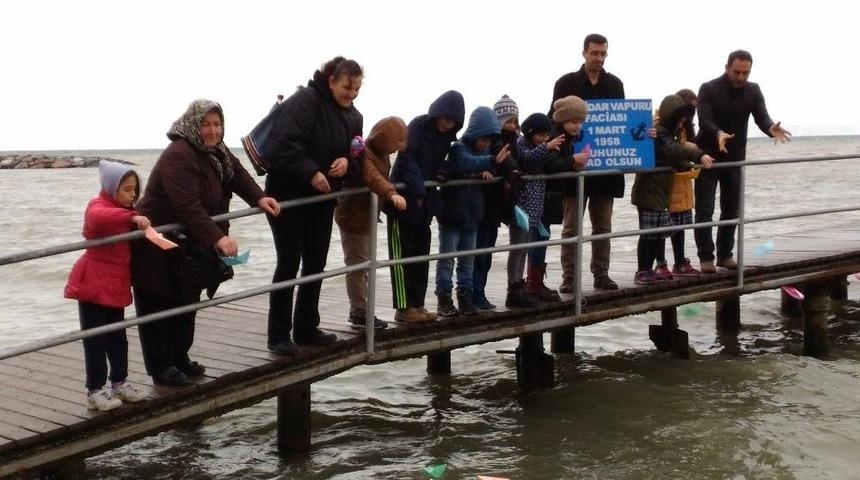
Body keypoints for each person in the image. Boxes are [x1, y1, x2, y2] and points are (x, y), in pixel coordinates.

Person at [131, 99, 281, 385]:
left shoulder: (217, 151)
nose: (212, 131)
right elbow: (187, 205)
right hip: (156, 244)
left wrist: (260, 198)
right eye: (205, 124)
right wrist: (217, 237)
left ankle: (180, 357)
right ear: (192, 124)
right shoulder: (180, 153)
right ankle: (161, 367)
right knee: (158, 304)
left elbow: (238, 175)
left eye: (217, 124)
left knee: (187, 299)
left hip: (188, 243)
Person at [263, 57, 364, 354]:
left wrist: (348, 162)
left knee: (316, 263)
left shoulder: (355, 116)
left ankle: (307, 327)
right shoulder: (304, 101)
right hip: (288, 195)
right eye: (347, 87)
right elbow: (285, 144)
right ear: (332, 80)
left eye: (357, 88)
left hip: (323, 199)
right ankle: (278, 334)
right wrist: (310, 171)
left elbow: (359, 153)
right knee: (288, 262)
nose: (352, 94)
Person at [694, 49, 791, 273]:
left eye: (745, 73)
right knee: (704, 210)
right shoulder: (708, 88)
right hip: (707, 156)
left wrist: (770, 128)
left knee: (731, 210)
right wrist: (718, 133)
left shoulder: (753, 90)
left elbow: (762, 116)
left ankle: (725, 255)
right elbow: (704, 119)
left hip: (736, 158)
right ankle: (706, 258)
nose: (740, 77)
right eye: (736, 72)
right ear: (726, 68)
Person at [65, 160, 150, 410]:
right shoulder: (98, 205)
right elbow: (99, 217)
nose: (132, 194)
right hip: (93, 283)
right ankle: (94, 390)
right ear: (112, 188)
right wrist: (132, 216)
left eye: (135, 189)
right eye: (126, 189)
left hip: (115, 285)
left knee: (118, 338)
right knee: (95, 340)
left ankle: (119, 381)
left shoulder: (127, 211)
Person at [549, 33, 625, 292]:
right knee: (571, 227)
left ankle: (601, 274)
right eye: (594, 53)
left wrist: (644, 133)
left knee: (603, 226)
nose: (599, 58)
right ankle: (569, 276)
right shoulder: (566, 83)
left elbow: (622, 123)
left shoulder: (615, 84)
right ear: (584, 53)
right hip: (574, 166)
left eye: (603, 53)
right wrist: (565, 156)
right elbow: (554, 121)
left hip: (605, 168)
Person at [388, 90, 465, 323]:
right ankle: (403, 308)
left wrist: (442, 171)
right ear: (437, 114)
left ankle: (417, 305)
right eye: (445, 119)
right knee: (402, 257)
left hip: (424, 206)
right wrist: (418, 187)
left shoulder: (446, 138)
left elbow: (444, 162)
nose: (446, 124)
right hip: (401, 202)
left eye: (452, 122)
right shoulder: (418, 127)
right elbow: (406, 158)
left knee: (421, 255)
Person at [333, 116, 408, 330]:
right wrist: (391, 193)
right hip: (353, 217)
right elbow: (372, 176)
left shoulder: (382, 155)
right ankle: (359, 311)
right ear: (383, 139)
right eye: (393, 145)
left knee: (365, 264)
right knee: (357, 265)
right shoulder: (366, 154)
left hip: (366, 216)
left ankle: (362, 309)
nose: (395, 151)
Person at [435, 106, 510, 316]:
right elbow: (464, 163)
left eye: (489, 141)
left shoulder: (484, 153)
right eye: (484, 139)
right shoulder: (458, 148)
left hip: (473, 215)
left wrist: (488, 168)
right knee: (447, 258)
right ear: (475, 132)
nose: (486, 144)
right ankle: (444, 297)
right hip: (452, 214)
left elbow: (486, 164)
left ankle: (465, 297)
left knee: (468, 260)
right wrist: (489, 162)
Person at [631, 94, 714, 284]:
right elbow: (673, 149)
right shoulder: (659, 133)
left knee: (657, 234)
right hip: (648, 191)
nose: (683, 122)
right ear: (672, 116)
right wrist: (699, 155)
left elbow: (674, 157)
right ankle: (642, 270)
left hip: (660, 193)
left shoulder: (668, 134)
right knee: (649, 235)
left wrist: (688, 165)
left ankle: (649, 270)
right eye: (680, 118)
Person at [506, 113, 563, 307]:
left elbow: (548, 163)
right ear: (530, 133)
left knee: (524, 249)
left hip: (534, 210)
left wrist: (550, 149)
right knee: (517, 249)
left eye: (547, 135)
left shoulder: (542, 148)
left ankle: (520, 285)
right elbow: (527, 160)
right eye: (540, 135)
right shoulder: (521, 145)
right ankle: (513, 287)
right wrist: (546, 147)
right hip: (521, 208)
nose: (544, 139)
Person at [472, 94, 521, 311]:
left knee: (487, 252)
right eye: (507, 121)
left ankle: (479, 292)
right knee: (478, 252)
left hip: (494, 208)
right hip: (482, 207)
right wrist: (510, 169)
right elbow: (501, 162)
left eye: (514, 121)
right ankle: (474, 293)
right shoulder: (490, 142)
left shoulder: (513, 143)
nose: (510, 126)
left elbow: (513, 163)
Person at [655, 88, 702, 278]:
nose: (689, 116)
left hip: (681, 179)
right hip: (664, 181)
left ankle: (680, 261)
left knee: (680, 223)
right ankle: (660, 263)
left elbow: (690, 143)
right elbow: (669, 147)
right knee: (660, 226)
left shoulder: (686, 125)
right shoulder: (659, 124)